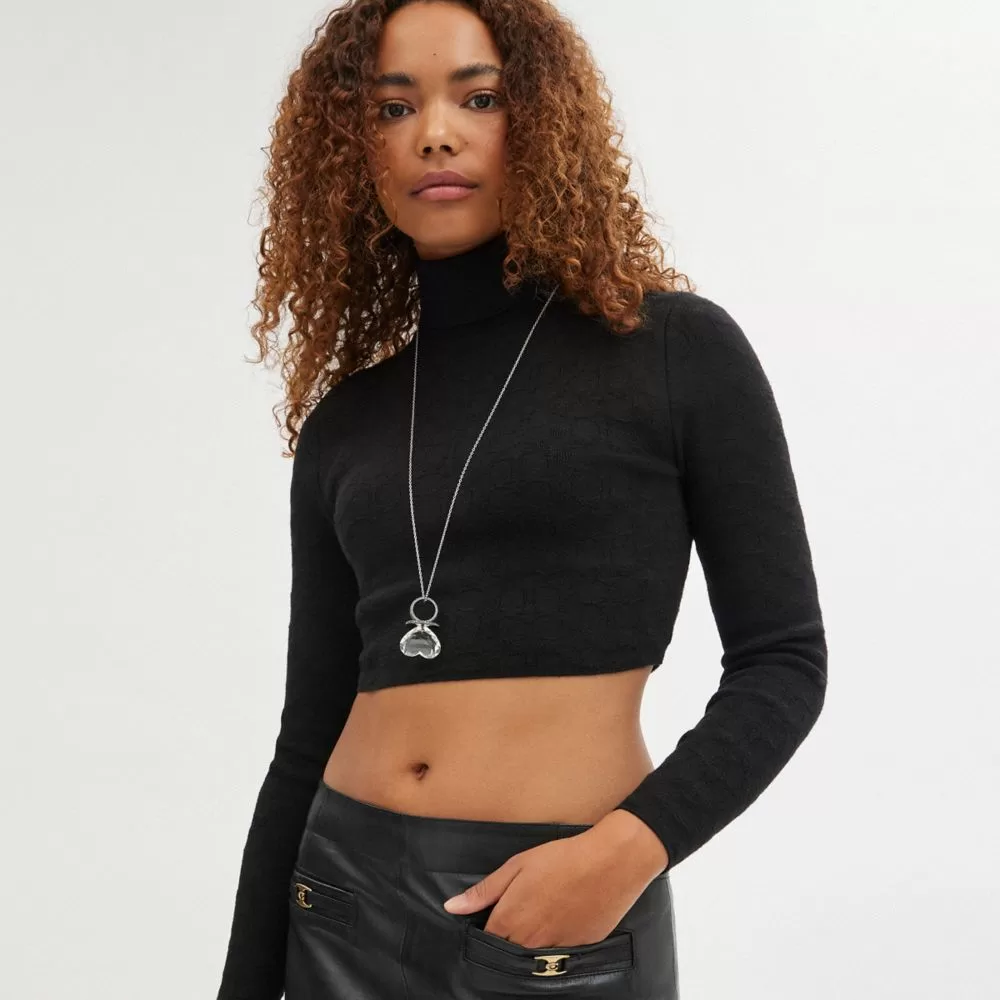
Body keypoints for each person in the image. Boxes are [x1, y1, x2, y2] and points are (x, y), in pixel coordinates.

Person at [215, 1, 828, 998]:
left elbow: (783, 663)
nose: (435, 133)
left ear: (540, 119)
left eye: (479, 97)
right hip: (340, 898)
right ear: (350, 151)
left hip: (555, 914)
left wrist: (626, 852)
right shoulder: (345, 424)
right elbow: (305, 737)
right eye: (392, 108)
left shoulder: (673, 352)